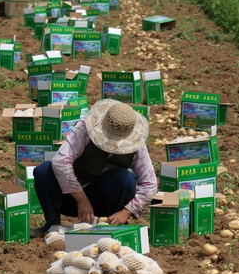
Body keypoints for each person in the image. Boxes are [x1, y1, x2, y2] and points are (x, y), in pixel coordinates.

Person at [32, 100, 157, 237]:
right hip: (70, 197)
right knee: (44, 170)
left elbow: (150, 184)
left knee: (125, 178)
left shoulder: (135, 142)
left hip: (104, 198)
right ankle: (52, 225)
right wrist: (81, 199)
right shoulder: (85, 129)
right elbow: (61, 161)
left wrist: (127, 211)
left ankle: (112, 226)